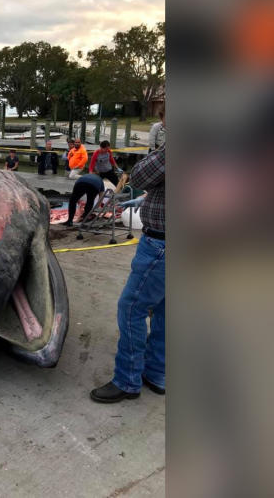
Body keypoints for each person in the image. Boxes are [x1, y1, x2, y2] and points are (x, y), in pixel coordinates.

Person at [91, 145, 165, 403]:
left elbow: (141, 176)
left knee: (132, 307)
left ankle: (127, 379)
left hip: (161, 244)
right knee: (167, 309)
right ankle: (158, 373)